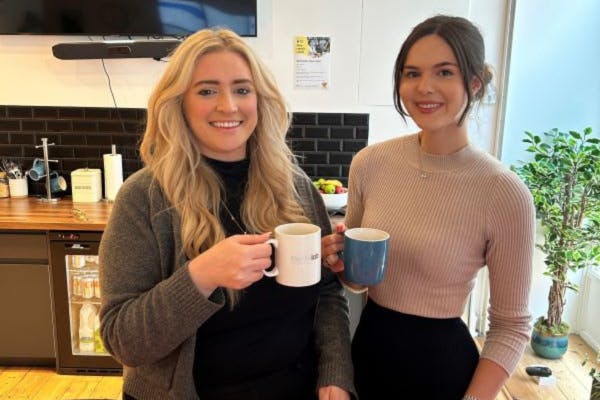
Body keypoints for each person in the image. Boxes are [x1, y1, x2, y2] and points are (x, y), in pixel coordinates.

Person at [99, 28, 355, 400]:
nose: (228, 106)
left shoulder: (294, 186)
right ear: (179, 103)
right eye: (206, 90)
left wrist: (335, 371)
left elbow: (327, 294)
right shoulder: (144, 198)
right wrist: (201, 276)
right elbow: (123, 341)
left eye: (242, 89)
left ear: (260, 99)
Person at [321, 15, 535, 400]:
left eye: (444, 72)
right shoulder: (369, 164)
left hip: (444, 373)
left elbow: (511, 326)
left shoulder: (504, 192)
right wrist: (339, 263)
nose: (424, 87)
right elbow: (356, 282)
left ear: (474, 83)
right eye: (412, 73)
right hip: (368, 356)